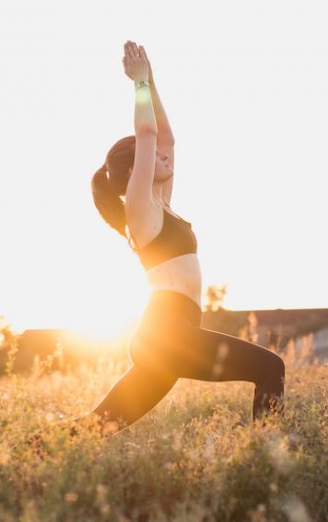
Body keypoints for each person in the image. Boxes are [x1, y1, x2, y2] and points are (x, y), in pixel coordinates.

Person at [81, 40, 285, 435]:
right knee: (270, 367)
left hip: (170, 336)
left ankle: (24, 456)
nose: (164, 155)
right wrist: (138, 84)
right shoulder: (139, 208)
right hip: (167, 332)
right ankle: (266, 455)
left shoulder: (162, 206)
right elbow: (146, 132)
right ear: (135, 170)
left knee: (99, 426)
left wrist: (152, 82)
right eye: (153, 155)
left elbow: (167, 138)